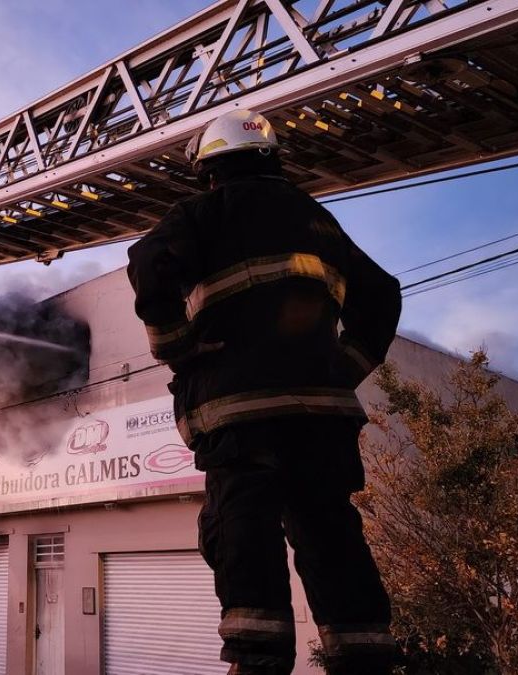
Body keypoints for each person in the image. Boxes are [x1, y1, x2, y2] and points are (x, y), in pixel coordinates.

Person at [127, 110, 402, 674]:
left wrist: (175, 346)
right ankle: (365, 659)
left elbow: (148, 262)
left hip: (241, 416)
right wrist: (341, 367)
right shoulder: (318, 220)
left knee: (242, 532)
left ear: (209, 168)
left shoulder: (203, 213)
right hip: (322, 420)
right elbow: (382, 293)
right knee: (331, 534)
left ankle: (256, 663)